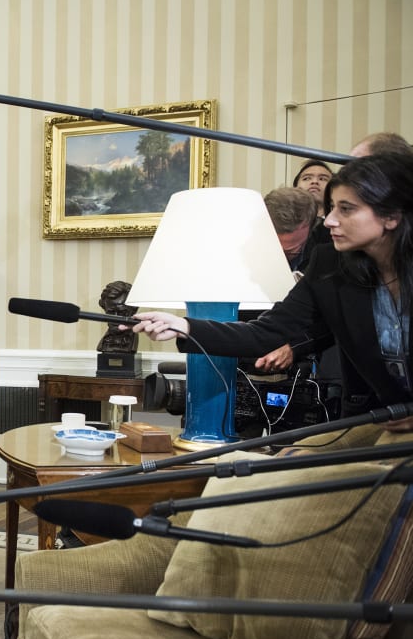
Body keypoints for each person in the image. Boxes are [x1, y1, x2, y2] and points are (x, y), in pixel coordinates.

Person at [129, 153, 413, 432]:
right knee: (268, 472)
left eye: (346, 209)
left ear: (391, 216)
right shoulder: (328, 265)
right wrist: (184, 326)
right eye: (332, 208)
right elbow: (265, 333)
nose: (329, 221)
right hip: (375, 421)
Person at [95, 280, 138, 353]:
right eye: (111, 312)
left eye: (122, 313)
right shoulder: (104, 342)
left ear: (133, 310)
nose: (115, 318)